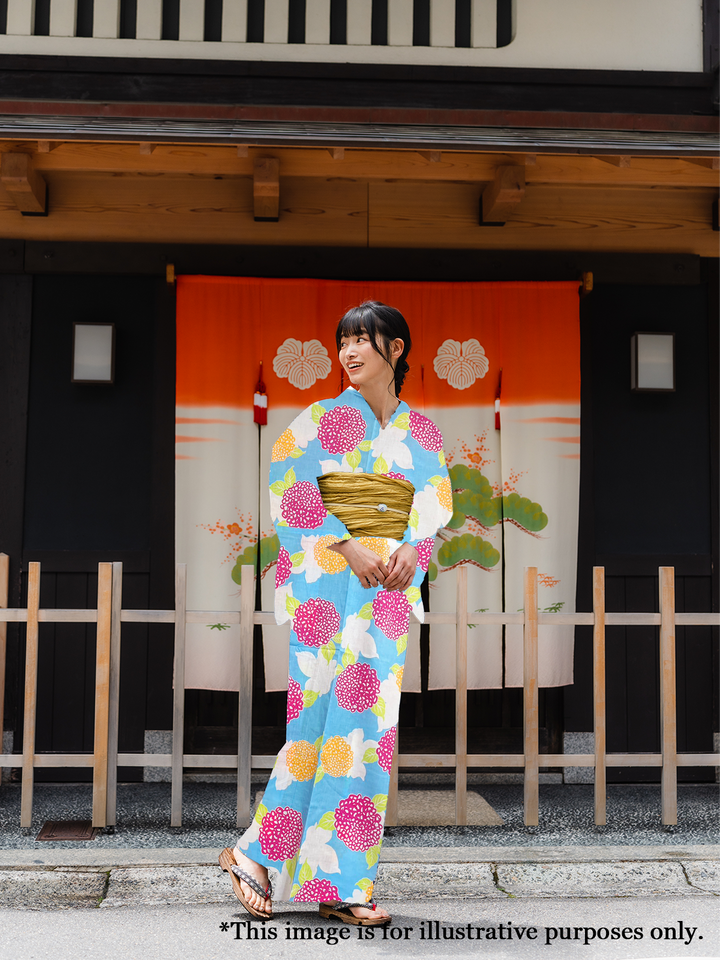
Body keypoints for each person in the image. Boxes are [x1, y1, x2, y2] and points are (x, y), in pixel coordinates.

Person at [220, 301, 452, 924]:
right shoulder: (319, 421)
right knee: (317, 724)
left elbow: (433, 505)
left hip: (384, 598)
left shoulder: (421, 432)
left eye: (363, 340)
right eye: (343, 341)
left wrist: (411, 549)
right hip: (326, 592)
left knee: (365, 737)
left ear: (395, 350)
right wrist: (346, 543)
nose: (349, 352)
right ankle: (265, 858)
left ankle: (334, 881)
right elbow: (290, 487)